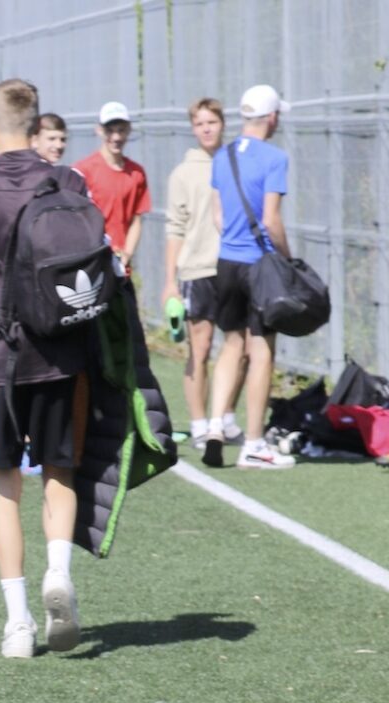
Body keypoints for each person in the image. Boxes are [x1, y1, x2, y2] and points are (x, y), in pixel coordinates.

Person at [0, 79, 94, 659]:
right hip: (62, 352)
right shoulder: (69, 181)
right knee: (60, 472)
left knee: (4, 484)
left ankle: (18, 624)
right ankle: (59, 573)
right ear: (36, 126)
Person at [200, 84, 297, 470]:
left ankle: (214, 425)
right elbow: (271, 220)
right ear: (271, 117)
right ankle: (254, 444)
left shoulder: (223, 156)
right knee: (261, 351)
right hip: (259, 265)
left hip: (227, 261)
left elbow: (218, 216)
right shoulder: (275, 158)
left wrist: (235, 243)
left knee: (230, 344)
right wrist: (287, 260)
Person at [163, 98, 234, 448]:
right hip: (197, 269)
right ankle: (199, 424)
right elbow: (175, 227)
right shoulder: (183, 173)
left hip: (233, 267)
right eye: (200, 124)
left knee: (239, 348)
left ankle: (226, 419)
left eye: (212, 122)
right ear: (193, 128)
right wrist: (169, 281)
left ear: (223, 124)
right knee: (200, 349)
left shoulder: (234, 163)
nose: (206, 129)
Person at [73, 102, 150, 279]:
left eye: (121, 130)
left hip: (121, 266)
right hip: (91, 263)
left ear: (128, 131)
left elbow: (136, 219)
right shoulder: (83, 171)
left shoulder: (136, 173)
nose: (116, 137)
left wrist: (127, 254)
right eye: (110, 131)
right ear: (99, 131)